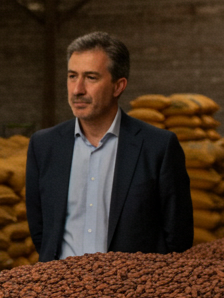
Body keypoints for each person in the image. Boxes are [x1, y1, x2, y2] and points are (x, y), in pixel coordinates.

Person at [26, 32, 192, 261]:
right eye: (72, 76)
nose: (77, 89)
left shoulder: (158, 148)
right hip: (61, 281)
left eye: (91, 77)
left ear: (118, 86)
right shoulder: (44, 145)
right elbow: (42, 232)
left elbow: (178, 238)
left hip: (132, 283)